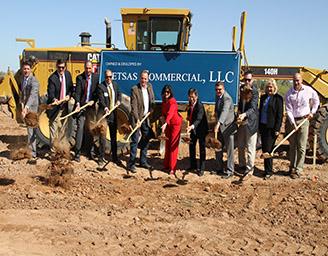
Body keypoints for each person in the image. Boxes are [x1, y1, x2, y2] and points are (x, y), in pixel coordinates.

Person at [285, 73, 319, 179]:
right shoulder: (289, 93)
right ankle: (292, 167)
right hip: (293, 121)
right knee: (292, 146)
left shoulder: (308, 90)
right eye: (294, 80)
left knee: (301, 147)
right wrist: (293, 123)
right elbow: (289, 110)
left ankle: (298, 170)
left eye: (298, 80)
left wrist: (312, 112)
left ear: (301, 80)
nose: (296, 82)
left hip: (304, 120)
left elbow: (316, 100)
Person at [127, 70, 155, 173]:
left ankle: (143, 161)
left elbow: (152, 100)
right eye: (142, 78)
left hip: (146, 118)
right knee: (135, 140)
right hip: (136, 118)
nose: (143, 80)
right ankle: (131, 163)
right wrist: (137, 119)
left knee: (146, 139)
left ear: (148, 79)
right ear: (140, 78)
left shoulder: (150, 87)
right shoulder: (134, 89)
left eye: (145, 79)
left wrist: (151, 110)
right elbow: (133, 106)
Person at [73, 61, 99, 162]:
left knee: (91, 129)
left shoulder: (96, 78)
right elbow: (78, 93)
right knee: (80, 128)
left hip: (91, 107)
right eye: (86, 68)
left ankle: (90, 152)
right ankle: (77, 153)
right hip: (82, 106)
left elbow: (97, 92)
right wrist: (78, 103)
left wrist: (94, 100)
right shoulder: (80, 78)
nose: (88, 70)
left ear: (92, 68)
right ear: (84, 68)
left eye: (89, 68)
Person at [259, 79, 283, 179]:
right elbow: (260, 111)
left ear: (274, 87)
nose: (269, 88)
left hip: (272, 128)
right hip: (263, 126)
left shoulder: (278, 98)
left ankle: (269, 172)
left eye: (271, 87)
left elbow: (279, 115)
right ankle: (266, 170)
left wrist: (277, 129)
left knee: (269, 150)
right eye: (268, 87)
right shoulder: (263, 97)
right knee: (265, 150)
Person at [237, 70, 259, 178]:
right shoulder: (241, 89)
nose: (247, 82)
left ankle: (250, 169)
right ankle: (241, 164)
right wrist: (239, 113)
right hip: (242, 122)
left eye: (249, 80)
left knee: (250, 147)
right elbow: (240, 105)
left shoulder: (255, 91)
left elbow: (253, 108)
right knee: (240, 145)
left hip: (251, 123)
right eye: (245, 79)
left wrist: (244, 114)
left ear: (252, 80)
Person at [97, 69, 122, 166]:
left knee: (113, 136)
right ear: (105, 77)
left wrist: (119, 101)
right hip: (104, 115)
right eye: (107, 77)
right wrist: (105, 107)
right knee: (102, 137)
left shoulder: (115, 85)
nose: (109, 79)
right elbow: (101, 99)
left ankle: (115, 157)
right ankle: (100, 157)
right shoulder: (101, 86)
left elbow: (119, 94)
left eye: (110, 77)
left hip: (113, 115)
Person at [46, 59, 73, 146]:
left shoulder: (68, 75)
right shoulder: (52, 78)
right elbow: (51, 93)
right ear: (56, 67)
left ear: (65, 67)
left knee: (63, 130)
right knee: (53, 130)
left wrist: (69, 95)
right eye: (59, 67)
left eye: (62, 67)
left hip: (64, 107)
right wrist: (54, 99)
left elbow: (71, 88)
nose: (61, 69)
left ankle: (61, 150)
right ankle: (53, 152)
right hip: (54, 109)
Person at [214, 81, 236, 179]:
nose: (218, 91)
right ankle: (219, 168)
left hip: (228, 127)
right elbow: (217, 111)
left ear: (223, 88)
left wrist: (218, 123)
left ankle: (230, 171)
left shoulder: (227, 98)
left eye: (220, 89)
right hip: (220, 127)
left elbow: (224, 111)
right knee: (218, 147)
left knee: (229, 150)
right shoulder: (217, 97)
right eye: (216, 89)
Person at [160, 85, 183, 175]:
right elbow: (164, 113)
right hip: (168, 124)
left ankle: (172, 168)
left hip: (175, 124)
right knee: (167, 144)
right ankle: (166, 165)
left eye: (168, 92)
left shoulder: (172, 102)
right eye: (165, 91)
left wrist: (165, 123)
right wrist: (163, 121)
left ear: (170, 93)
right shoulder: (163, 101)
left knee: (173, 145)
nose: (166, 93)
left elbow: (170, 113)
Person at [186, 88, 209, 176]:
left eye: (193, 97)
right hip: (193, 130)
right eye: (190, 97)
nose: (191, 99)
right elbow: (190, 115)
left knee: (202, 149)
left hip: (201, 130)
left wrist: (192, 126)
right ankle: (193, 165)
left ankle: (202, 168)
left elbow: (199, 119)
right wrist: (189, 117)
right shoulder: (190, 104)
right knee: (191, 146)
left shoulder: (200, 105)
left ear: (196, 96)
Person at [20, 61, 39, 164]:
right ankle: (31, 150)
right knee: (29, 130)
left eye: (28, 69)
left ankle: (33, 154)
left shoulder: (34, 81)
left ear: (31, 69)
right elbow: (23, 94)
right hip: (26, 107)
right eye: (24, 69)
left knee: (32, 130)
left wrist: (26, 107)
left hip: (32, 108)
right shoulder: (23, 79)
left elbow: (33, 95)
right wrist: (22, 105)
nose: (26, 70)